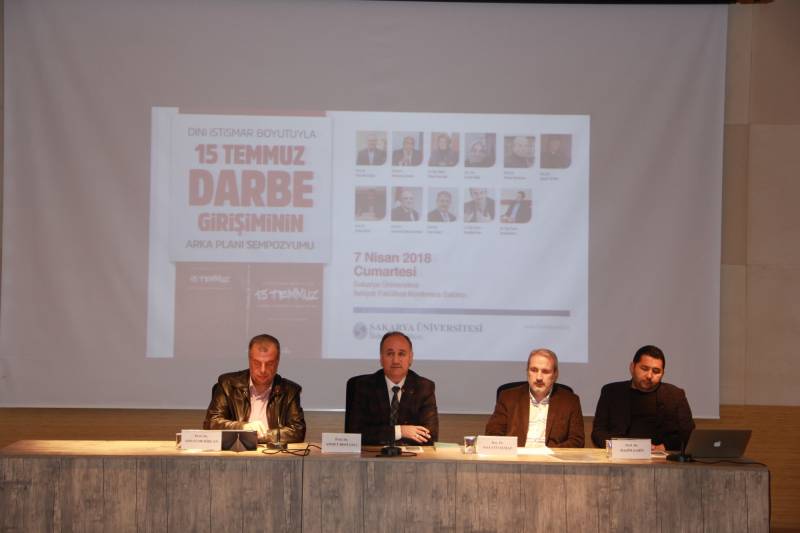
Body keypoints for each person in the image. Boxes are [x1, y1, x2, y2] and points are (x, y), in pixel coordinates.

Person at [203, 334, 306, 444]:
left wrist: (260, 435)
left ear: (277, 362)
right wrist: (243, 428)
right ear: (249, 360)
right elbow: (211, 424)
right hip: (235, 452)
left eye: (269, 364)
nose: (263, 370)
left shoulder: (289, 391)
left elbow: (297, 431)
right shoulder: (227, 384)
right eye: (257, 363)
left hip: (272, 453)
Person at [591, 345, 695, 451]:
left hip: (659, 456)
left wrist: (663, 447)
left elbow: (688, 433)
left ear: (663, 373)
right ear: (632, 367)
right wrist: (620, 448)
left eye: (656, 371)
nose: (649, 376)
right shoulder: (611, 392)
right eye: (644, 369)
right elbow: (598, 432)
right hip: (619, 454)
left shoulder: (675, 395)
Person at [345, 331, 439, 445]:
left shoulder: (424, 388)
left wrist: (381, 434)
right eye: (390, 354)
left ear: (410, 358)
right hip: (371, 455)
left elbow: (430, 436)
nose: (395, 360)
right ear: (381, 358)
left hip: (410, 456)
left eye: (401, 354)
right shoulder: (363, 386)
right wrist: (400, 431)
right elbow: (354, 435)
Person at [485, 349, 584, 448]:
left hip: (552, 457)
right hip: (517, 456)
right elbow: (493, 434)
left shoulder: (571, 401)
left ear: (555, 375)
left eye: (545, 371)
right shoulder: (508, 397)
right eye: (534, 370)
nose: (539, 377)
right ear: (527, 372)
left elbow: (577, 441)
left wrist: (548, 453)